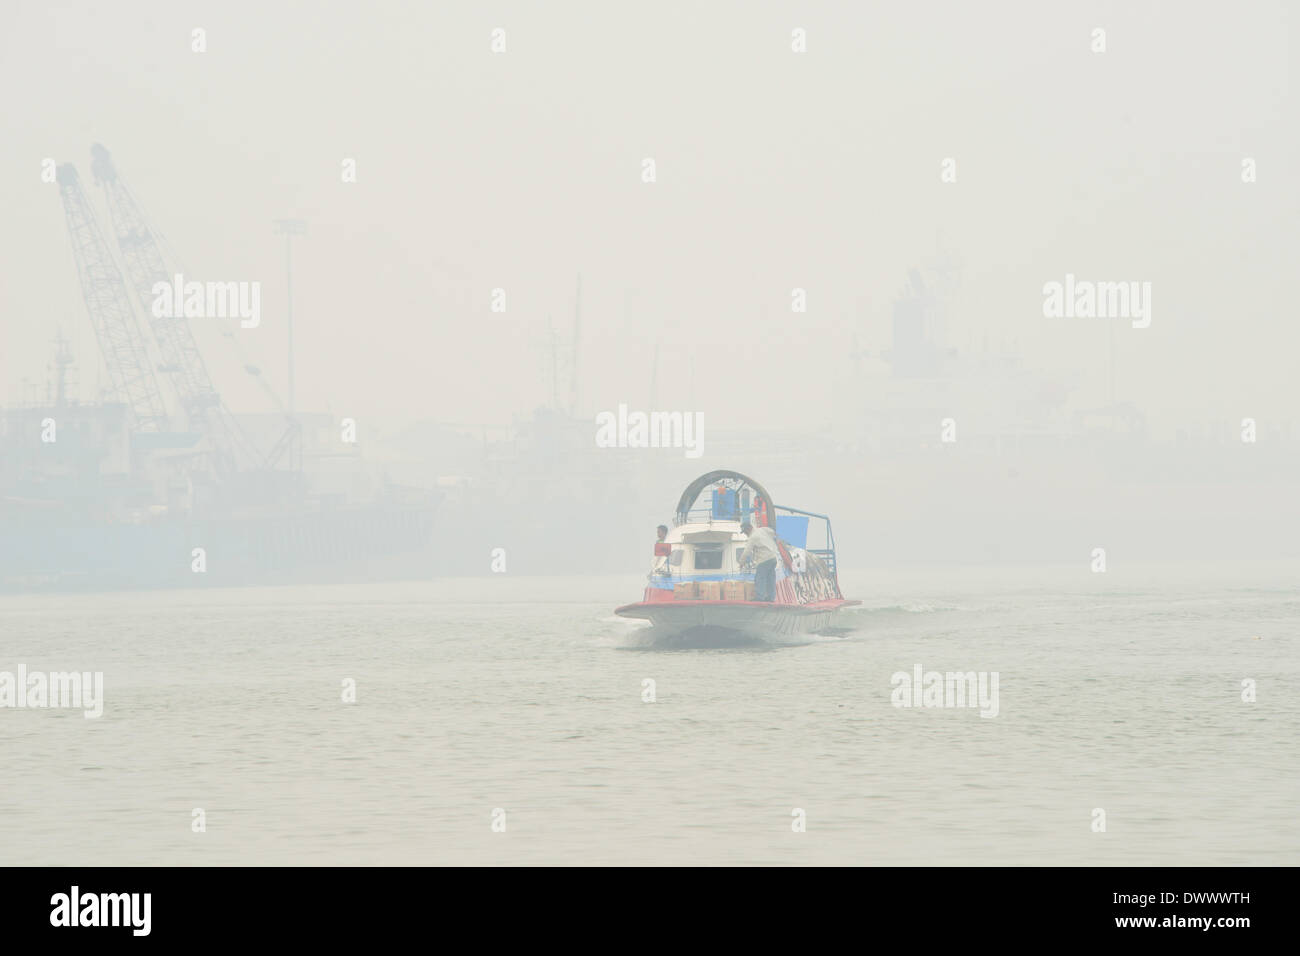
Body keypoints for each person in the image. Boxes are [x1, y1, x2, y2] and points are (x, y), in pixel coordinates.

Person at [739, 521, 779, 602]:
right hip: (773, 557)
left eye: (746, 531)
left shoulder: (752, 537)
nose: (745, 534)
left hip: (764, 559)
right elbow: (773, 532)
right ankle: (771, 598)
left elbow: (747, 552)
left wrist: (741, 563)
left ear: (749, 528)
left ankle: (759, 598)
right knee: (770, 578)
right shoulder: (762, 530)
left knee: (760, 578)